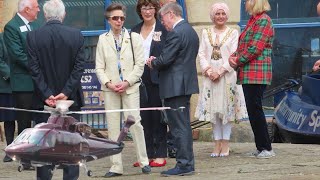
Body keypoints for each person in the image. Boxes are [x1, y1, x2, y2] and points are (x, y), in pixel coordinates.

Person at [26, 0, 85, 179]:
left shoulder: (33, 36)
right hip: (71, 99)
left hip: (45, 102)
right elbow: (79, 67)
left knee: (43, 145)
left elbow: (33, 69)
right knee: (72, 145)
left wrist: (47, 94)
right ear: (64, 14)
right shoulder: (76, 35)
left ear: (45, 15)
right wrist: (66, 92)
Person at [95, 3, 151, 178]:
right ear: (109, 20)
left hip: (130, 88)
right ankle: (116, 166)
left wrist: (127, 82)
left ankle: (144, 161)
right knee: (112, 128)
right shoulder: (102, 39)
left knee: (135, 123)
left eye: (121, 18)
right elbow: (99, 68)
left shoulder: (134, 37)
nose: (119, 21)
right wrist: (109, 83)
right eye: (115, 18)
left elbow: (139, 65)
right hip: (111, 89)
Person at [146, 2, 199, 176]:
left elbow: (165, 60)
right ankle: (187, 163)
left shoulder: (176, 33)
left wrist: (152, 62)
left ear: (170, 14)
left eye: (162, 18)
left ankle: (184, 165)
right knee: (183, 126)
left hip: (175, 87)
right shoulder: (190, 31)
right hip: (184, 85)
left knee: (178, 128)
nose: (163, 23)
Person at [195, 2, 247, 158]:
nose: (220, 16)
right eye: (217, 14)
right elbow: (202, 54)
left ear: (227, 15)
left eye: (223, 13)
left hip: (227, 76)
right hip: (210, 77)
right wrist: (209, 71)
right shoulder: (206, 32)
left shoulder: (232, 33)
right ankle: (216, 142)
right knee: (214, 110)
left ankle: (226, 142)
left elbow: (234, 55)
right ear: (212, 16)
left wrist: (221, 71)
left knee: (226, 109)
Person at [228, 0, 275, 159]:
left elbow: (255, 48)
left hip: (257, 73)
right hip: (249, 73)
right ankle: (261, 147)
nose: (246, 3)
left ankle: (267, 148)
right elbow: (244, 46)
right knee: (253, 111)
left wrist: (238, 60)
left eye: (248, 0)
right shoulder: (253, 20)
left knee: (256, 109)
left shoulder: (263, 20)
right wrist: (233, 57)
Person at [131, 0, 168, 167]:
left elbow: (168, 53)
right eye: (144, 8)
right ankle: (145, 155)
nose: (147, 11)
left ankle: (160, 154)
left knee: (158, 117)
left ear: (156, 9)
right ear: (140, 10)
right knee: (142, 118)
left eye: (150, 7)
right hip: (138, 78)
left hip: (157, 77)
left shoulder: (163, 29)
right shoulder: (134, 30)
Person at [3, 0, 40, 160]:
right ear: (27, 9)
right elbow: (18, 55)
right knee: (24, 122)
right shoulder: (12, 26)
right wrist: (38, 67)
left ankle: (37, 152)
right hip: (23, 84)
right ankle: (24, 157)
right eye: (36, 7)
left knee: (38, 120)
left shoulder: (35, 25)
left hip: (37, 82)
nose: (39, 9)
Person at [159, 0, 177, 160]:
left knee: (172, 116)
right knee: (161, 116)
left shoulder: (176, 28)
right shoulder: (160, 24)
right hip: (158, 76)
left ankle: (173, 147)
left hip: (171, 78)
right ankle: (162, 147)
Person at [0, 32, 16, 163]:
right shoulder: (1, 38)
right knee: (9, 119)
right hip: (7, 86)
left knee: (26, 118)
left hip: (25, 84)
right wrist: (10, 75)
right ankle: (10, 150)